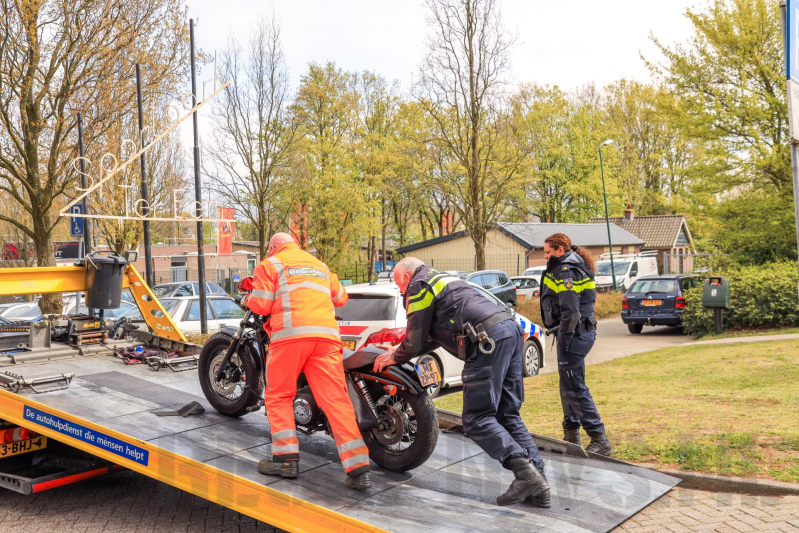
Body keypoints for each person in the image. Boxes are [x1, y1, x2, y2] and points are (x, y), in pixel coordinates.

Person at [374, 257, 550, 507]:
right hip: (510, 332)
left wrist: (396, 356)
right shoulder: (442, 279)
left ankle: (526, 475)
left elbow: (416, 334)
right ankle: (539, 485)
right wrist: (400, 350)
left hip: (486, 341)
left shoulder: (418, 285)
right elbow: (430, 336)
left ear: (405, 276)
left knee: (477, 419)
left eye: (398, 284)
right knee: (507, 415)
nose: (401, 290)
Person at [245, 233, 372, 489]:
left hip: (290, 337)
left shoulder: (270, 265)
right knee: (335, 400)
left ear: (273, 247)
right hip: (326, 339)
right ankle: (359, 469)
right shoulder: (319, 265)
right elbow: (341, 298)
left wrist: (246, 298)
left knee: (279, 395)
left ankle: (285, 460)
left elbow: (261, 305)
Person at [539, 233, 612, 456]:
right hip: (578, 333)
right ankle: (571, 435)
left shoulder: (567, 271)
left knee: (574, 387)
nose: (545, 256)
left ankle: (599, 439)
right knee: (567, 385)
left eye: (548, 252)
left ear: (560, 250)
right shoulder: (574, 265)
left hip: (574, 335)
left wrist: (564, 338)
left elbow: (570, 311)